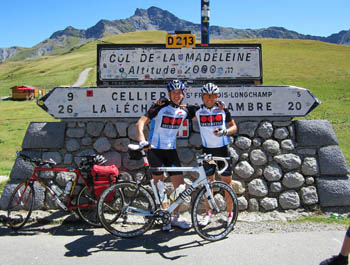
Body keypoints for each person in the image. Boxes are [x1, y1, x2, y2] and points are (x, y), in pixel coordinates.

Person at [136, 79, 191, 231]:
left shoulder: (185, 110)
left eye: (179, 92)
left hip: (171, 151)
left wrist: (221, 107)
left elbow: (206, 110)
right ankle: (164, 216)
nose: (177, 95)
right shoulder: (159, 106)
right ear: (169, 94)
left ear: (183, 94)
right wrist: (142, 140)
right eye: (174, 92)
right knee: (159, 186)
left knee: (180, 186)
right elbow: (140, 123)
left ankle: (174, 216)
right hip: (155, 150)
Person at [186, 82, 237, 226]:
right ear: (202, 97)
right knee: (209, 183)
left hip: (223, 150)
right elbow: (179, 108)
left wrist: (224, 132)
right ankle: (208, 214)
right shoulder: (197, 111)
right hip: (207, 151)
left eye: (213, 95)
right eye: (207, 96)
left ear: (217, 96)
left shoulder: (223, 110)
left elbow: (234, 127)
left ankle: (230, 214)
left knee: (227, 183)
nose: (210, 98)